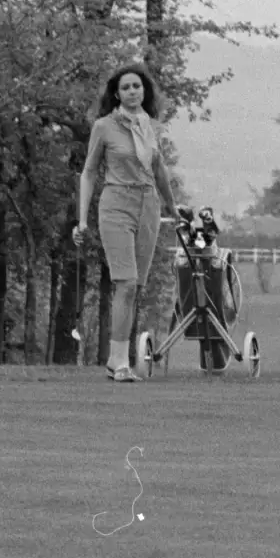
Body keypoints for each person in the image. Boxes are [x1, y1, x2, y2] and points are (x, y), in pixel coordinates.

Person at [75, 63, 179, 383]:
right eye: (126, 87)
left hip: (148, 204)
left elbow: (159, 170)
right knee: (126, 281)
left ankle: (117, 361)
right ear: (116, 94)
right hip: (116, 203)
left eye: (137, 86)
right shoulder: (104, 127)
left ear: (144, 91)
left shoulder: (153, 127)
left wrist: (173, 208)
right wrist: (82, 220)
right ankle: (118, 361)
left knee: (135, 288)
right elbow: (90, 172)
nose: (132, 91)